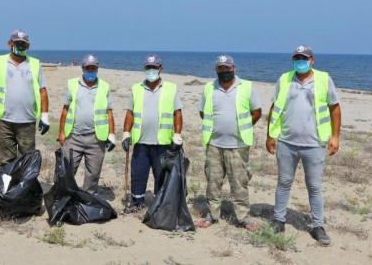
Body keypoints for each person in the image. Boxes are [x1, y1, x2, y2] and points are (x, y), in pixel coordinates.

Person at [265, 45, 341, 246]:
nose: (301, 61)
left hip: (314, 144)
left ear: (312, 60)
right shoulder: (284, 79)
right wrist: (270, 135)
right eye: (297, 57)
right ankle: (278, 220)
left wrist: (335, 137)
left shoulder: (324, 79)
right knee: (283, 183)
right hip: (287, 143)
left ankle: (318, 226)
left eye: (304, 57)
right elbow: (274, 108)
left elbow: (334, 108)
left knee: (314, 186)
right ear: (293, 60)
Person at [197, 55, 262, 230]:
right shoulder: (209, 88)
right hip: (214, 144)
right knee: (213, 181)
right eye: (220, 68)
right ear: (216, 70)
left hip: (238, 144)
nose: (224, 71)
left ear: (234, 68)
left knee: (239, 182)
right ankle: (212, 215)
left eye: (227, 68)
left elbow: (257, 112)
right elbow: (203, 113)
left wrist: (245, 127)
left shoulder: (246, 87)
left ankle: (243, 217)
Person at [121, 54, 183, 213]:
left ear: (160, 69)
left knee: (161, 175)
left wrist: (177, 135)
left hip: (163, 143)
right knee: (138, 174)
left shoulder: (171, 88)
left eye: (154, 67)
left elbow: (177, 113)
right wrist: (126, 133)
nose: (151, 70)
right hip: (141, 142)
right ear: (144, 69)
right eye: (148, 67)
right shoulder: (136, 89)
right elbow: (130, 113)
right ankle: (137, 202)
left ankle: (160, 203)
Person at [0, 29, 50, 166]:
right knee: (6, 160)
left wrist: (45, 116)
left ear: (28, 46)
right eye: (17, 43)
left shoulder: (35, 64)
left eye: (23, 44)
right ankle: (8, 186)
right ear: (9, 44)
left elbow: (42, 91)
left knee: (27, 160)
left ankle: (25, 187)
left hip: (27, 121)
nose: (20, 47)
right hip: (4, 121)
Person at [58, 53, 116, 194]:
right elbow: (65, 109)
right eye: (88, 68)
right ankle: (65, 198)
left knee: (93, 175)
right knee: (67, 171)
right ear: (82, 68)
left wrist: (112, 134)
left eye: (93, 68)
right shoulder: (72, 84)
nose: (90, 71)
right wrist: (61, 132)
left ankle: (88, 199)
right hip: (73, 137)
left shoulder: (104, 87)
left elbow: (109, 113)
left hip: (96, 139)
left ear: (97, 69)